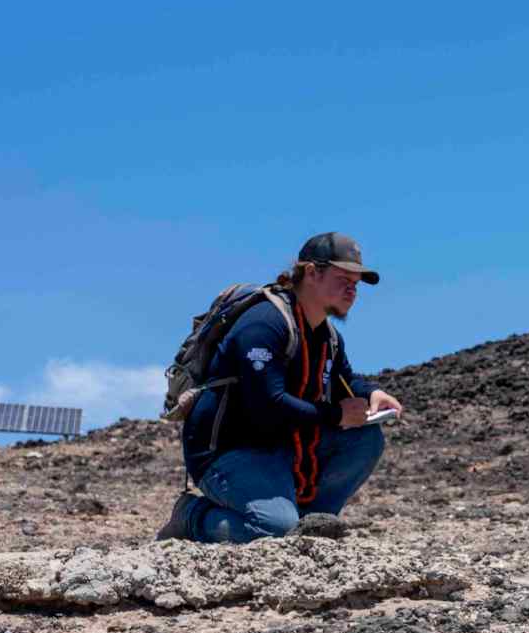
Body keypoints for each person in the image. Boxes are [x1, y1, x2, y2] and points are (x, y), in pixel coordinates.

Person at [156, 232, 404, 542]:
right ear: (311, 273)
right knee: (271, 530)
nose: (352, 289)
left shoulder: (327, 335)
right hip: (228, 452)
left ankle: (312, 528)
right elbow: (267, 404)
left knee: (365, 438)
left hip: (280, 447)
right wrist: (336, 416)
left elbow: (343, 379)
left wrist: (371, 393)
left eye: (356, 283)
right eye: (344, 278)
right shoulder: (264, 322)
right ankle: (192, 518)